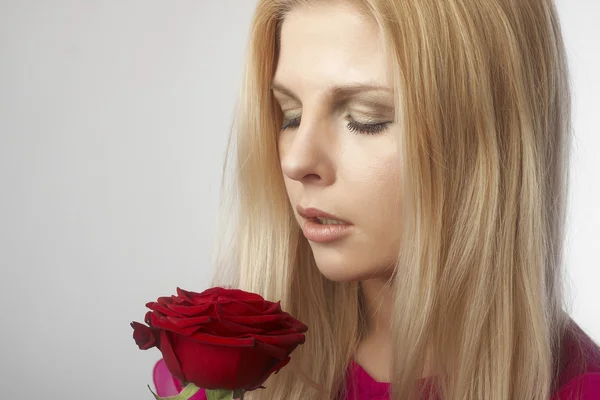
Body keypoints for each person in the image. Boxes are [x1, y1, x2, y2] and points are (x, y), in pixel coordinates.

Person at [153, 0, 600, 399]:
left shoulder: (576, 389)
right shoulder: (219, 377)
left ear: (486, 146)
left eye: (365, 119)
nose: (297, 161)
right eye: (290, 115)